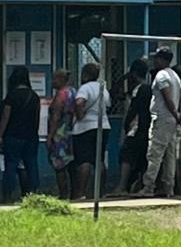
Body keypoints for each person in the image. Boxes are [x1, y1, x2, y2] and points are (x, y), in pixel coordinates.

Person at [140, 48, 181, 198]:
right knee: (170, 154)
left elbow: (167, 98)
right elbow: (180, 97)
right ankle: (168, 187)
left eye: (157, 58)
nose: (155, 61)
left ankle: (148, 186)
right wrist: (179, 117)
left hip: (162, 118)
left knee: (155, 153)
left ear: (162, 59)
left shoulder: (162, 75)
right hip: (171, 120)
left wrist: (176, 114)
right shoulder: (175, 76)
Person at [0, 66, 41, 200]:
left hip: (13, 136)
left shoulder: (12, 95)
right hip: (31, 136)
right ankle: (33, 193)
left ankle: (8, 195)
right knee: (31, 165)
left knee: (11, 165)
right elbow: (37, 118)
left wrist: (0, 136)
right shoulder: (34, 96)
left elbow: (5, 117)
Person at [70, 62, 111, 199]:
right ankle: (101, 192)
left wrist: (80, 115)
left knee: (84, 161)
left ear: (85, 75)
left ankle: (80, 193)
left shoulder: (85, 88)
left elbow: (79, 102)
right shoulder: (103, 89)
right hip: (103, 126)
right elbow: (108, 105)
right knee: (99, 160)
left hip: (86, 128)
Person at [114, 63, 151, 196]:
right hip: (142, 128)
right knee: (140, 158)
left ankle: (123, 186)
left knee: (127, 155)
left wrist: (127, 125)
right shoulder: (146, 88)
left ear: (134, 74)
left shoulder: (140, 90)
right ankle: (134, 185)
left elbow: (133, 110)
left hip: (136, 128)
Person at [45, 69, 76, 198]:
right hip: (71, 132)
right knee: (71, 166)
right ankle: (74, 193)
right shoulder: (73, 92)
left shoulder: (61, 95)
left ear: (61, 79)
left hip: (60, 135)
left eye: (55, 79)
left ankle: (63, 194)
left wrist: (50, 136)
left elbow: (55, 117)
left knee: (59, 166)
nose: (52, 81)